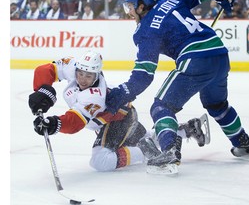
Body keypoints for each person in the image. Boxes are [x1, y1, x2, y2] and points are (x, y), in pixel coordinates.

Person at [105, 0, 249, 173]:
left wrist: (121, 93)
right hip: (219, 54)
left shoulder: (146, 31)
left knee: (161, 107)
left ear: (141, 5)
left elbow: (143, 75)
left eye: (130, 7)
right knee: (217, 105)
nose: (128, 12)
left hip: (194, 61)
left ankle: (169, 151)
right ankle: (243, 143)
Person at [28, 50, 208, 172]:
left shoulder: (95, 96)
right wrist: (42, 91)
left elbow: (75, 122)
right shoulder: (74, 66)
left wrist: (54, 124)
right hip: (124, 113)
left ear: (97, 75)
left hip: (118, 121)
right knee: (147, 136)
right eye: (80, 73)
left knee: (101, 161)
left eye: (89, 75)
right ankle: (187, 130)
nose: (82, 79)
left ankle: (145, 150)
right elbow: (45, 69)